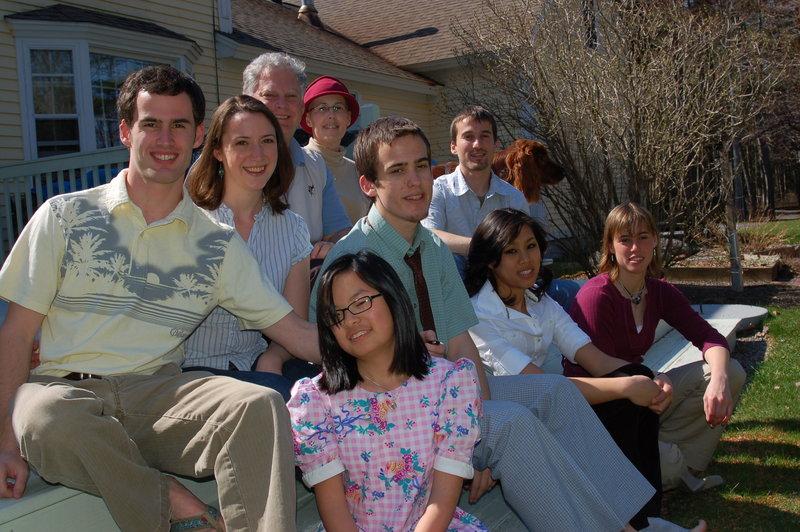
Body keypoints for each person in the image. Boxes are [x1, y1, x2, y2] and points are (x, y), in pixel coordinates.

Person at [310, 116, 694, 532]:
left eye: (421, 165)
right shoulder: (353, 260)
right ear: (368, 185)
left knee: (552, 391)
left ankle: (634, 522)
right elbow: (340, 362)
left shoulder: (433, 247)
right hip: (390, 412)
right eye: (397, 170)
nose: (415, 181)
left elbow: (460, 342)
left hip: (444, 393)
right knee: (510, 424)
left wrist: (475, 418)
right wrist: (469, 437)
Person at [0, 65, 319, 532]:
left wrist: (390, 345)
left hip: (158, 392)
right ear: (126, 131)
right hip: (62, 391)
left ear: (198, 136)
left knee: (258, 404)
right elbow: (16, 333)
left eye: (179, 125)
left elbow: (295, 332)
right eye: (151, 123)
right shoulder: (64, 216)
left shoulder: (216, 242)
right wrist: (5, 441)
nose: (165, 139)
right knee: (45, 417)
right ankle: (173, 502)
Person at [464, 208, 704, 530]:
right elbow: (539, 388)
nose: (525, 259)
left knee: (632, 389)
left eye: (531, 246)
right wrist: (626, 387)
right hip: (505, 421)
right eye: (511, 251)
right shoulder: (479, 315)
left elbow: (595, 359)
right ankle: (634, 525)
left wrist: (646, 377)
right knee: (622, 394)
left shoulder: (539, 301)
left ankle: (645, 519)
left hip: (545, 404)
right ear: (491, 260)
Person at [289, 250, 486, 531]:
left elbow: (442, 501)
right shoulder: (316, 401)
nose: (350, 320)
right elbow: (334, 509)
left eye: (361, 302)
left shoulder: (449, 384)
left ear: (393, 298)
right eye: (336, 315)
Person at [567, 202, 747, 492]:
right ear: (610, 246)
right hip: (600, 410)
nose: (635, 248)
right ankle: (666, 466)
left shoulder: (659, 291)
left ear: (654, 242)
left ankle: (680, 466)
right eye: (624, 240)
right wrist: (653, 378)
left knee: (731, 371)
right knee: (665, 463)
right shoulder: (597, 296)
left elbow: (709, 337)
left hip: (641, 392)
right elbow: (602, 373)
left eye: (643, 237)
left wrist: (720, 382)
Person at [183, 94, 318, 401]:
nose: (257, 154)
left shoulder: (292, 227)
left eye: (267, 141)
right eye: (242, 143)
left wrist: (273, 358)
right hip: (191, 374)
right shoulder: (188, 223)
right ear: (217, 150)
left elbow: (294, 326)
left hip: (260, 366)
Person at [421, 106, 578, 308]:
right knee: (454, 261)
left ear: (495, 144)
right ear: (454, 146)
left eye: (484, 136)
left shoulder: (513, 197)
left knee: (573, 292)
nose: (477, 144)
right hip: (460, 284)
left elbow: (524, 247)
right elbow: (429, 235)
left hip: (506, 279)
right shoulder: (438, 190)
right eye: (468, 137)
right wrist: (482, 248)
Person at [243, 52, 351, 262]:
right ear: (247, 101)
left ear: (301, 107)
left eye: (291, 96)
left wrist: (335, 246)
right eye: (270, 95)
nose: (282, 104)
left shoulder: (316, 166)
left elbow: (339, 231)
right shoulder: (219, 163)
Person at [301, 75, 370, 224]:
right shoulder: (296, 164)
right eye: (322, 108)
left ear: (348, 118)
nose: (331, 115)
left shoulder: (357, 171)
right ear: (308, 119)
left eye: (338, 108)